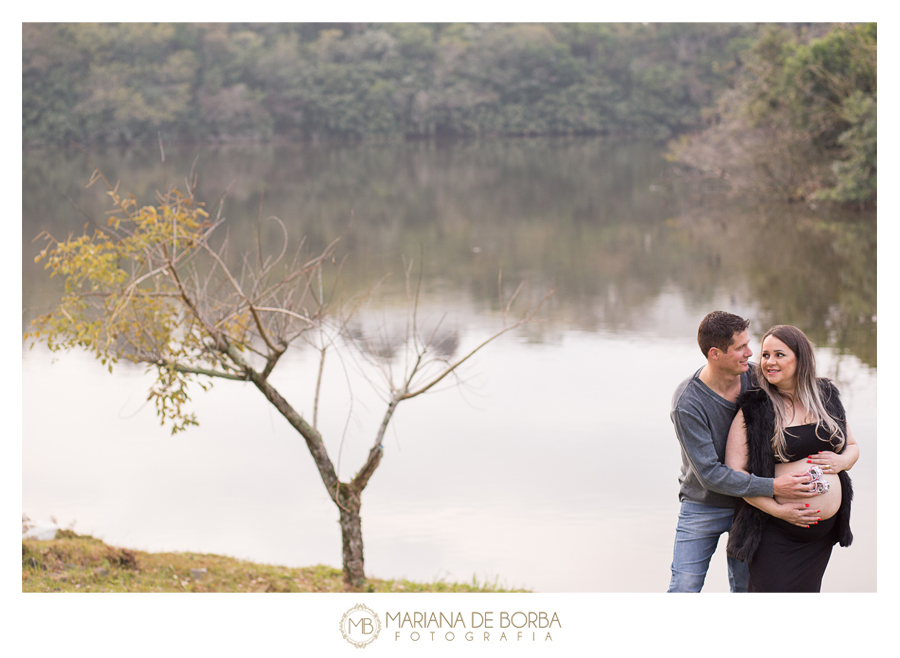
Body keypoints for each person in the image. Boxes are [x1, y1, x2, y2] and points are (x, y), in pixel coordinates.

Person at [667, 311, 820, 593]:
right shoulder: (688, 403)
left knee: (747, 590)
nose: (751, 354)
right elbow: (711, 475)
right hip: (703, 505)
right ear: (715, 353)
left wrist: (844, 454)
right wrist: (774, 486)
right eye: (741, 348)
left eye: (749, 344)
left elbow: (798, 392)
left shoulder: (757, 377)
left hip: (752, 506)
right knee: (684, 587)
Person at [725, 325, 859, 592]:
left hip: (820, 538)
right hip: (775, 531)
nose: (769, 362)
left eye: (779, 355)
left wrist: (842, 462)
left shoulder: (826, 396)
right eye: (764, 355)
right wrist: (779, 510)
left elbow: (852, 446)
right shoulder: (755, 407)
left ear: (801, 358)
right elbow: (734, 474)